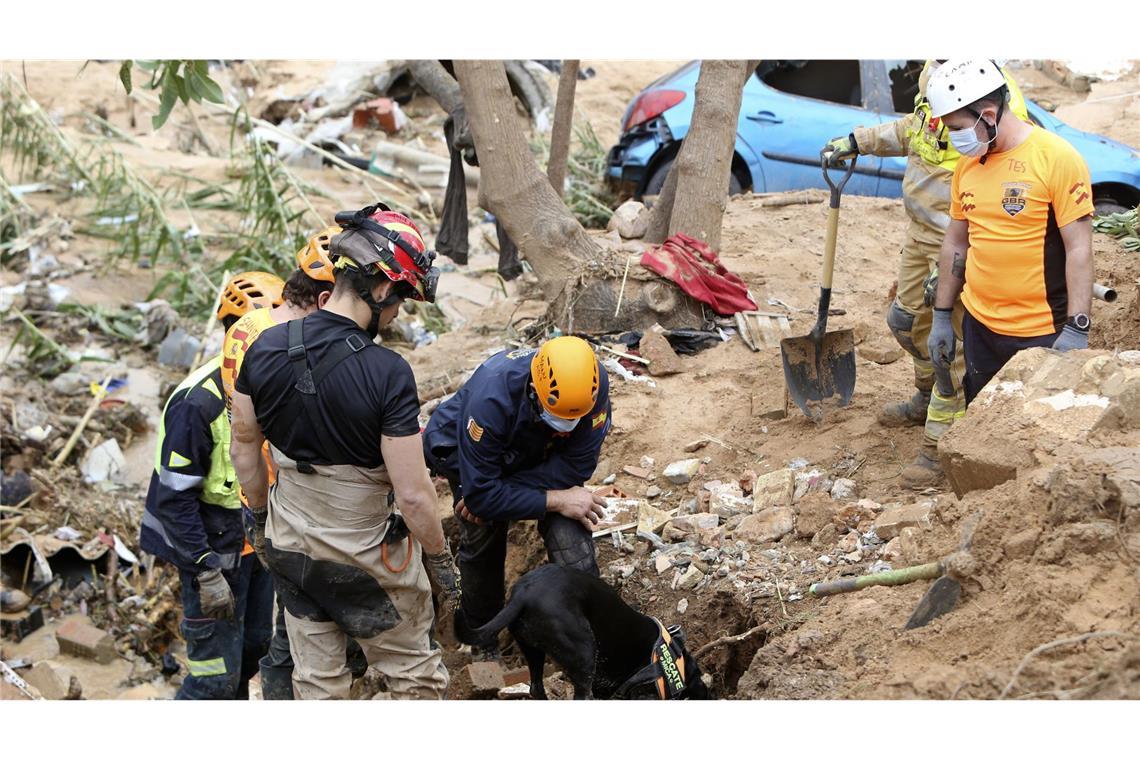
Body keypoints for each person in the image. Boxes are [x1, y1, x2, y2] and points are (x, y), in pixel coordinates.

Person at [230, 205, 457, 700]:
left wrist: (259, 518)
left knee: (317, 684)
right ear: (380, 288)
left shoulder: (263, 348)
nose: (397, 313)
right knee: (413, 678)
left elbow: (245, 447)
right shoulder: (388, 373)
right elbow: (414, 495)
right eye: (399, 301)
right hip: (364, 561)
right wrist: (439, 558)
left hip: (290, 545)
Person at [822, 60, 1028, 487]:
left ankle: (939, 448)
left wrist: (969, 257)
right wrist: (857, 140)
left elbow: (1010, 175)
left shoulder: (989, 90)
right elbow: (914, 131)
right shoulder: (936, 74)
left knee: (946, 346)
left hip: (956, 244)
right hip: (921, 235)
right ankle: (925, 394)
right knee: (903, 321)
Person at [139, 271, 284, 700]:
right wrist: (204, 571)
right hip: (208, 548)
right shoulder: (196, 404)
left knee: (255, 649)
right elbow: (173, 500)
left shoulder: (267, 387)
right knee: (212, 678)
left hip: (252, 544)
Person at [422, 335, 612, 659]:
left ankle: (593, 637)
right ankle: (483, 638)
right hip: (464, 451)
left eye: (573, 420)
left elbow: (577, 464)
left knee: (570, 525)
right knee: (482, 528)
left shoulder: (592, 387)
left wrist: (511, 493)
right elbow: (481, 494)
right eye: (559, 416)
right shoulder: (492, 396)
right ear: (535, 389)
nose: (568, 428)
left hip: (535, 456)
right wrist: (497, 496)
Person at [925, 59, 1094, 405]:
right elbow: (957, 242)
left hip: (1040, 333)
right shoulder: (967, 167)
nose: (955, 140)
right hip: (980, 329)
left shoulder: (1056, 158)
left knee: (1036, 436)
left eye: (958, 128)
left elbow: (1079, 248)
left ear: (988, 114)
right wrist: (942, 316)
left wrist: (1077, 328)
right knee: (983, 426)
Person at [219, 228, 337, 700]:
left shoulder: (246, 330)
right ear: (325, 297)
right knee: (294, 627)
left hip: (258, 493)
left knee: (282, 622)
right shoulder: (289, 344)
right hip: (287, 499)